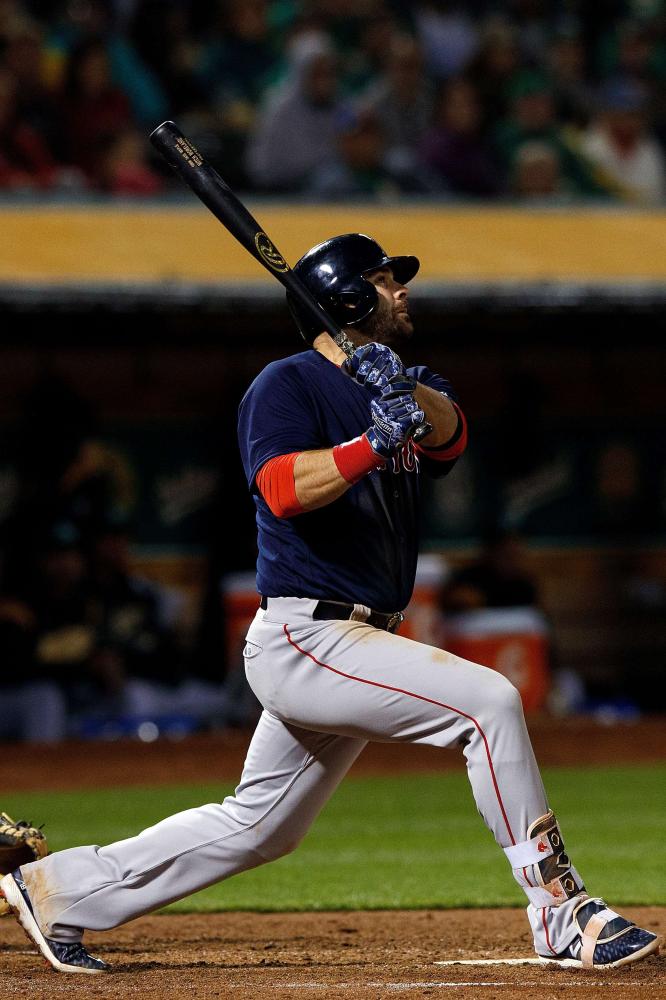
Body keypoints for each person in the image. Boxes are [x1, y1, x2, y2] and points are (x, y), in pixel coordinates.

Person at [0, 234, 659, 975]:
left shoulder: (398, 380)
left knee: (261, 828)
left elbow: (451, 438)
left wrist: (401, 392)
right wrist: (370, 442)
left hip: (357, 636)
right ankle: (559, 909)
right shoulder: (285, 385)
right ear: (345, 300)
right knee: (488, 703)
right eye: (384, 281)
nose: (402, 291)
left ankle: (57, 889)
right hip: (308, 635)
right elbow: (281, 488)